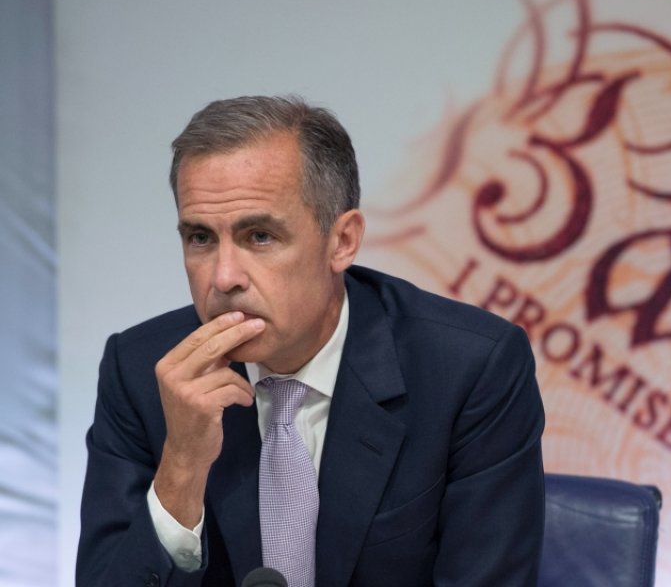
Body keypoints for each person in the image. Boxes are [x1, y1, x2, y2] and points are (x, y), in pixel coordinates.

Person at [76, 95, 546, 587]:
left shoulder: (467, 369)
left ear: (342, 241)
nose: (224, 276)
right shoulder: (142, 373)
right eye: (200, 238)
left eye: (259, 236)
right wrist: (181, 467)